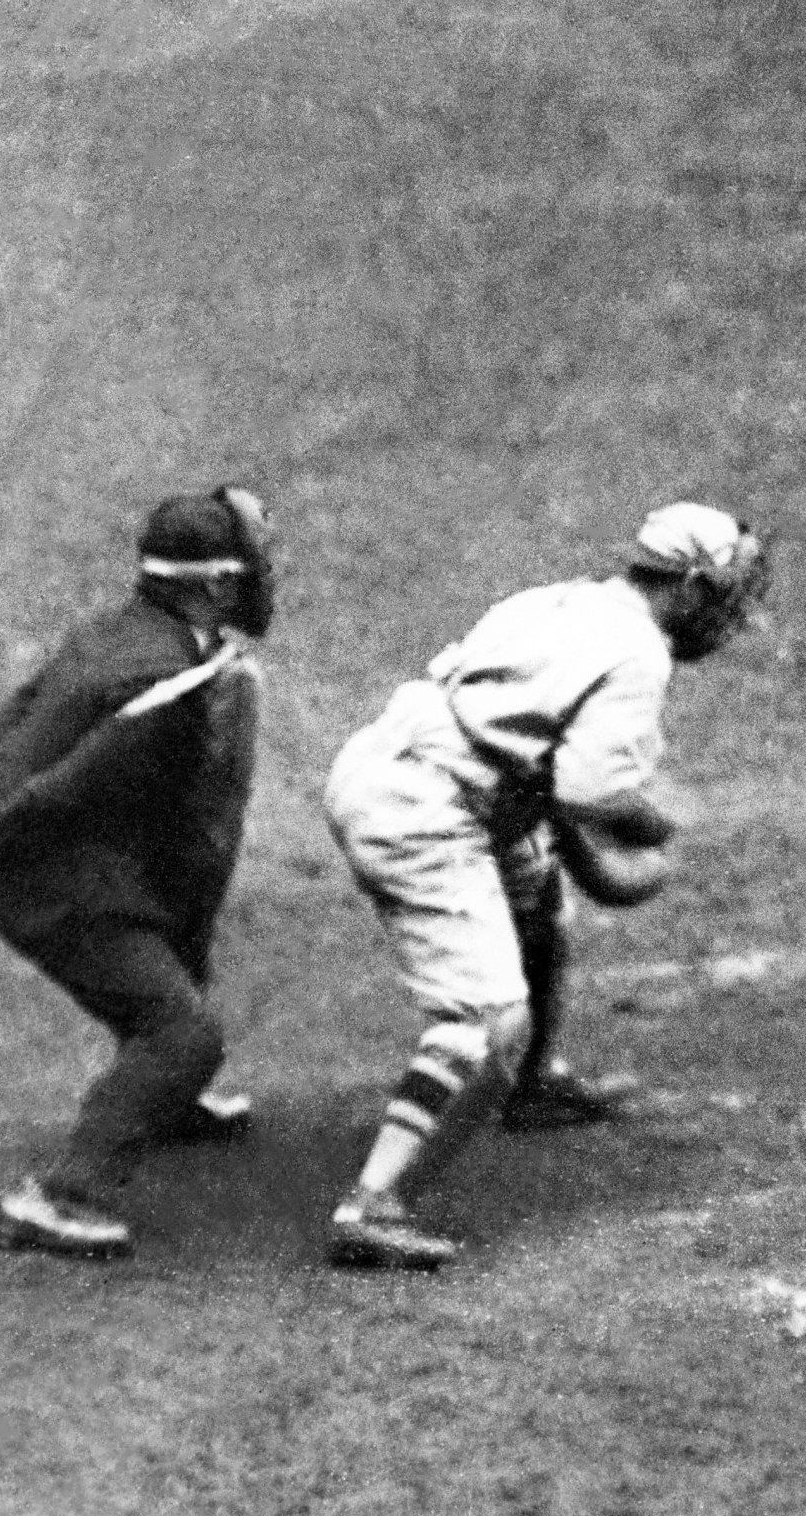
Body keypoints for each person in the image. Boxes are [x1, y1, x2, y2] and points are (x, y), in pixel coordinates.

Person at [321, 501, 770, 1270]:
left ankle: (529, 1089)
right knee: (486, 1022)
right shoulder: (638, 655)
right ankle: (374, 1203)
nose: (727, 611)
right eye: (721, 592)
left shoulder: (558, 598)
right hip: (427, 809)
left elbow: (543, 770)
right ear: (690, 586)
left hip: (409, 764)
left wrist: (576, 846)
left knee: (540, 911)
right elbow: (593, 790)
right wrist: (655, 828)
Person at [0, 486, 276, 1258]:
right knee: (182, 1032)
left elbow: (21, 715)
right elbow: (66, 779)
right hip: (47, 883)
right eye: (248, 567)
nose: (260, 579)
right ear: (216, 583)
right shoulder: (163, 677)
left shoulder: (120, 635)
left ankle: (163, 1101)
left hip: (79, 863)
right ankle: (61, 1196)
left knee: (171, 953)